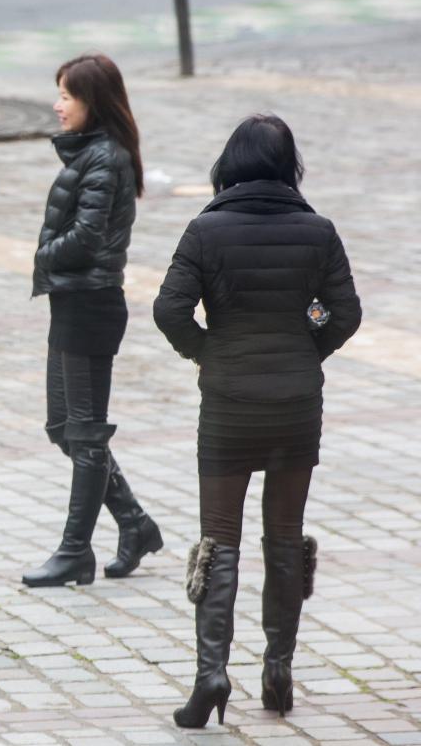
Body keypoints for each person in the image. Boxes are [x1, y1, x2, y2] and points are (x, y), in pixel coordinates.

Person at [154, 114, 361, 728]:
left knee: (219, 537)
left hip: (228, 404)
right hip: (297, 404)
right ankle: (278, 667)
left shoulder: (205, 230)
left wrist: (208, 351)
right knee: (285, 534)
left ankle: (211, 674)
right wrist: (307, 349)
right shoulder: (318, 230)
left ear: (231, 163)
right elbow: (345, 313)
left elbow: (169, 309)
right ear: (287, 166)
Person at [24, 53, 162, 588]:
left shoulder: (106, 159)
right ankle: (135, 523)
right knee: (63, 427)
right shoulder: (93, 154)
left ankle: (74, 552)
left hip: (91, 304)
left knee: (83, 433)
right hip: (73, 303)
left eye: (66, 95)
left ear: (92, 101)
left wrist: (42, 253)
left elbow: (86, 236)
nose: (58, 106)